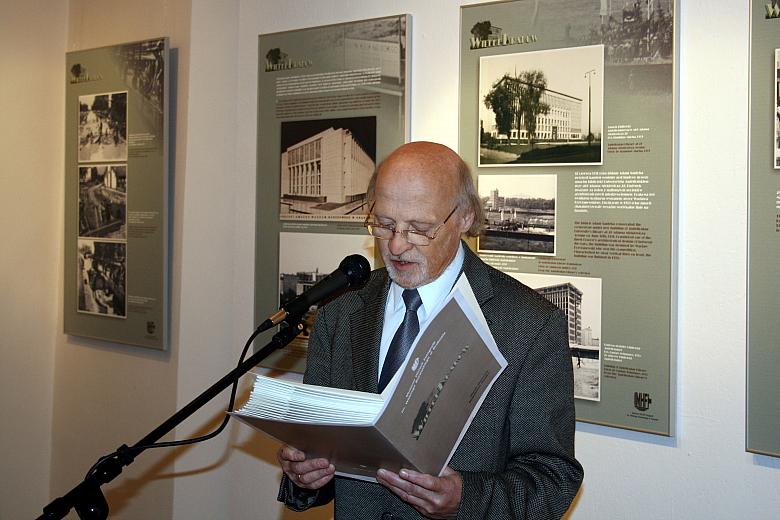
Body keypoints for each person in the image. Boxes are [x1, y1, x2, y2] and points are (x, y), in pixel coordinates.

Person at [277, 141, 583, 519]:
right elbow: (320, 449)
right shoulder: (340, 310)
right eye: (384, 223)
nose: (396, 244)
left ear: (465, 218)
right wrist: (305, 475)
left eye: (419, 229)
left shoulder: (530, 324)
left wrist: (464, 499)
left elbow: (552, 480)